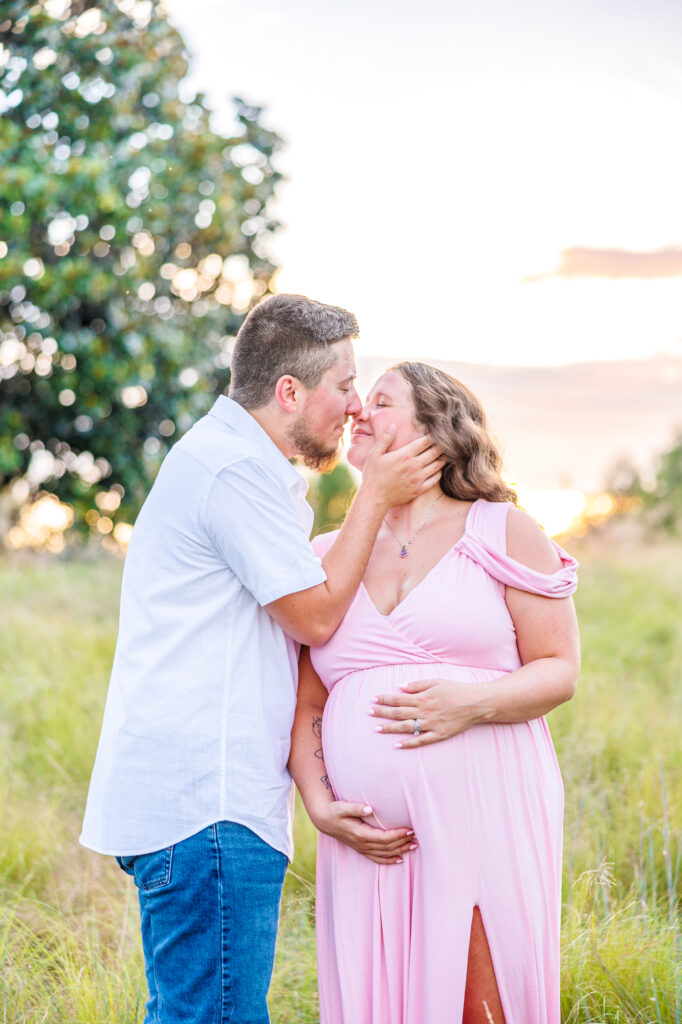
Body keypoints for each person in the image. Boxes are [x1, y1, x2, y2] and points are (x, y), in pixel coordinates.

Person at [80, 296, 443, 1024]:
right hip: (207, 808)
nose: (353, 407)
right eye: (344, 385)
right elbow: (314, 615)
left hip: (205, 811)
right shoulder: (230, 472)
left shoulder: (235, 465)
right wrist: (374, 495)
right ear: (289, 392)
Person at [289, 361, 580, 1024]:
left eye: (382, 401)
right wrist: (318, 803)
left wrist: (469, 703)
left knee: (481, 1000)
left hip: (486, 811)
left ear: (436, 428)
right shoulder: (327, 553)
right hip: (367, 842)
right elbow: (307, 703)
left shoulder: (501, 530)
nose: (359, 410)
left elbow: (559, 667)